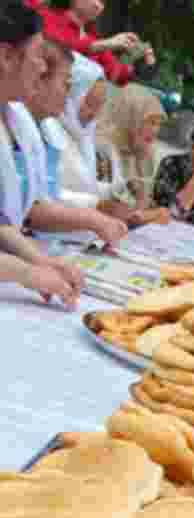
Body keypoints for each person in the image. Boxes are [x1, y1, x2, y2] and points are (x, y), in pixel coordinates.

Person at [0, 0, 82, 308]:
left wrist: (42, 262)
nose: (42, 66)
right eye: (36, 55)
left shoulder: (14, 116)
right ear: (7, 56)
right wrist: (26, 272)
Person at [20, 39, 126, 244]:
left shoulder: (46, 129)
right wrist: (95, 212)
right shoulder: (46, 128)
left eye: (99, 106)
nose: (67, 95)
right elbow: (31, 208)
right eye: (66, 85)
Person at [28, 0, 156, 85]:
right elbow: (54, 45)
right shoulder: (48, 15)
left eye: (102, 2)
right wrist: (101, 45)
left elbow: (118, 75)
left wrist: (142, 61)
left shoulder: (93, 38)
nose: (98, 5)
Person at [96, 82, 170, 226]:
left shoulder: (142, 152)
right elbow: (111, 211)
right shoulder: (103, 150)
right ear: (129, 117)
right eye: (150, 122)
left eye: (158, 124)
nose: (155, 130)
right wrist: (149, 215)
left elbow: (144, 206)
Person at [57, 51, 113, 200]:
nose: (94, 114)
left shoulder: (83, 138)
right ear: (72, 94)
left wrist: (116, 190)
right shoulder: (50, 132)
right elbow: (48, 196)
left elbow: (87, 187)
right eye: (90, 104)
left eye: (98, 106)